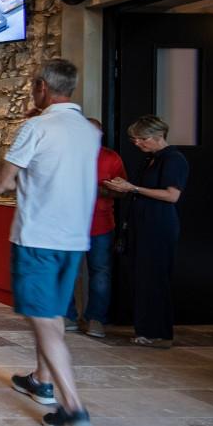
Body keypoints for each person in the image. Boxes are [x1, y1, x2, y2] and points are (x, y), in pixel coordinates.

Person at [0, 59, 100, 426]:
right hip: (74, 239)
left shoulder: (36, 127)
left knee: (46, 321)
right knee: (52, 314)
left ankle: (73, 408)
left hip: (38, 237)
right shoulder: (89, 131)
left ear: (41, 87)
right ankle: (40, 378)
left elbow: (0, 184)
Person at [103, 115, 188, 347]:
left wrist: (133, 188)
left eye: (142, 139)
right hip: (142, 223)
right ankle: (146, 329)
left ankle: (158, 332)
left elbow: (172, 195)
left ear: (158, 136)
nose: (138, 144)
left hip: (159, 225)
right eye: (134, 140)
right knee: (142, 277)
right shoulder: (150, 159)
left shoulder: (174, 159)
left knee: (156, 277)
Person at [65, 119, 125, 339]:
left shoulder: (111, 158)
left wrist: (100, 189)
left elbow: (122, 191)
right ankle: (68, 316)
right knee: (68, 271)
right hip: (69, 223)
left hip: (100, 224)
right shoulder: (67, 156)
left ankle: (96, 319)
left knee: (100, 273)